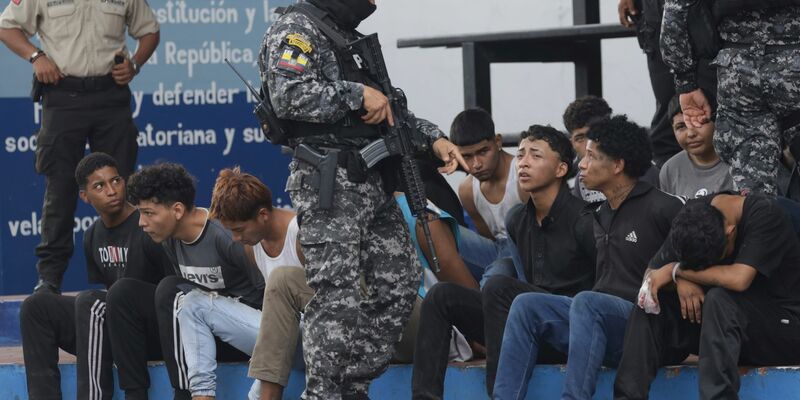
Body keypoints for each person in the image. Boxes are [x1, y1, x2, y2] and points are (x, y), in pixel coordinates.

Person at [259, 0, 468, 397]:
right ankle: (323, 394)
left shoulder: (345, 37)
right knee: (336, 296)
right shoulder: (298, 30)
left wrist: (434, 139)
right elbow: (287, 95)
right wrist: (356, 94)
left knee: (400, 284)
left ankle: (349, 387)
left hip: (372, 182)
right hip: (329, 182)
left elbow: (390, 109)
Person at [209, 166, 471, 400]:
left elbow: (347, 304)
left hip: (412, 328)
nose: (234, 238)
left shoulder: (306, 235)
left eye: (239, 230)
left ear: (263, 214)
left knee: (293, 282)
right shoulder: (252, 247)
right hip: (358, 343)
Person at [493, 115, 684, 400]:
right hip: (600, 324)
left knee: (587, 301)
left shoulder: (663, 207)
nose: (581, 164)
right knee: (526, 304)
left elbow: (700, 256)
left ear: (618, 165)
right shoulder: (597, 214)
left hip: (650, 331)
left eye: (591, 157)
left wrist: (680, 273)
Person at [412, 125, 596, 399]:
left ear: (561, 169)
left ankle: (499, 394)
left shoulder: (585, 220)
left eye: (535, 155)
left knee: (498, 286)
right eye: (520, 154)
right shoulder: (517, 219)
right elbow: (523, 284)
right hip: (526, 328)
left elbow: (599, 293)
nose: (523, 163)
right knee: (441, 296)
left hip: (568, 331)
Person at [0, 0, 160, 294]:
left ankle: (131, 275)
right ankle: (49, 280)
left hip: (111, 96)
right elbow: (6, 26)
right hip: (62, 96)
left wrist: (135, 63)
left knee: (121, 188)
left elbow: (149, 31)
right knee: (60, 190)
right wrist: (36, 56)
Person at [614, 194, 800, 399]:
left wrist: (678, 271)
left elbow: (739, 278)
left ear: (731, 232)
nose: (702, 270)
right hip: (724, 334)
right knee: (652, 301)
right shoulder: (693, 217)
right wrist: (679, 280)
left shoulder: (765, 215)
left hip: (783, 328)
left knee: (720, 298)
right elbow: (652, 277)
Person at [20, 152, 169, 400]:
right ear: (85, 196)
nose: (111, 191)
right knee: (36, 307)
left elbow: (170, 294)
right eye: (99, 185)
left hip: (150, 334)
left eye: (116, 181)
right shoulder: (92, 236)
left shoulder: (147, 225)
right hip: (114, 330)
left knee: (91, 301)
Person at [126, 163, 265, 400]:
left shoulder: (224, 236)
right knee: (124, 292)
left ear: (177, 210)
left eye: (148, 213)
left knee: (172, 290)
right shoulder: (169, 240)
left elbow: (268, 294)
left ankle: (183, 393)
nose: (141, 222)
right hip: (208, 334)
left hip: (253, 335)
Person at [660, 1, 800, 195]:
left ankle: (757, 219)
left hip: (738, 72)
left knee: (752, 187)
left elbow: (676, 8)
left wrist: (686, 82)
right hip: (793, 61)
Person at [617, 0, 716, 167]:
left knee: (715, 111)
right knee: (670, 115)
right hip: (658, 19)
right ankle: (671, 186)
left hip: (709, 19)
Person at [562, 96, 661, 203]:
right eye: (580, 138)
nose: (588, 145)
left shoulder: (642, 170)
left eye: (595, 135)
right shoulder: (581, 182)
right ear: (572, 143)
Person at [452, 108, 526, 240]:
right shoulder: (467, 190)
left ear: (498, 142)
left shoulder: (523, 175)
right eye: (467, 156)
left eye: (483, 152)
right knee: (443, 231)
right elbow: (488, 241)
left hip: (528, 250)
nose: (476, 164)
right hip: (496, 250)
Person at [659, 95, 733, 198]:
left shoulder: (740, 162)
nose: (690, 133)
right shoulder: (670, 170)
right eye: (681, 126)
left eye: (698, 122)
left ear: (717, 120)